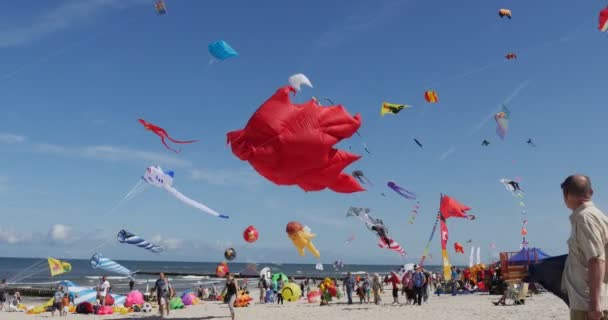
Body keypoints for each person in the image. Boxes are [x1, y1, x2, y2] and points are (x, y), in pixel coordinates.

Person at [560, 175, 608, 320]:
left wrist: (594, 303)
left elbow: (596, 259)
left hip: (587, 303)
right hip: (592, 300)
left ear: (566, 194)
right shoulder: (598, 216)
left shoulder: (584, 218)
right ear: (591, 192)